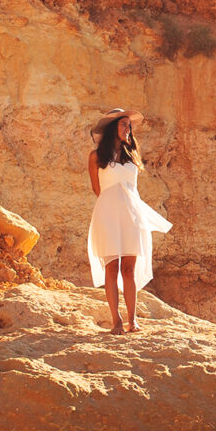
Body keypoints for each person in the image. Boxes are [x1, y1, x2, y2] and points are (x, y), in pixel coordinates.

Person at [86, 109, 172, 333]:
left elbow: (133, 188)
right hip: (107, 214)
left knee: (129, 268)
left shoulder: (131, 154)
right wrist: (112, 205)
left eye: (129, 126)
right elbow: (97, 189)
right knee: (111, 267)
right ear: (113, 127)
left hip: (132, 215)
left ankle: (132, 320)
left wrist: (127, 208)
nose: (128, 129)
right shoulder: (96, 157)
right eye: (124, 124)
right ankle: (116, 321)